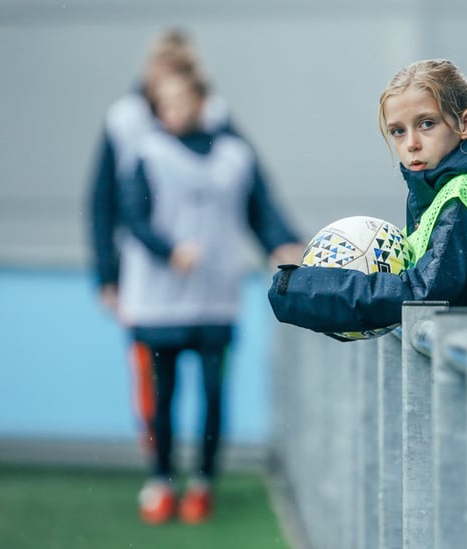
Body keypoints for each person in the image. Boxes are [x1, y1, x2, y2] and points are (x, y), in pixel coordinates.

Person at [118, 67, 303, 525]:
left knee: (212, 395)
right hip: (159, 303)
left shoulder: (235, 157)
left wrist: (282, 244)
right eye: (164, 102)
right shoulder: (147, 153)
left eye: (181, 99)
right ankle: (161, 481)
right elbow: (133, 218)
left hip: (217, 299)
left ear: (203, 101)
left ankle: (203, 484)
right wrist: (169, 250)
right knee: (162, 398)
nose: (173, 109)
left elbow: (261, 212)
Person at [268, 59, 467, 342]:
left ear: (465, 123)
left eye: (427, 124)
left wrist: (305, 289)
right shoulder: (438, 194)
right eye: (398, 131)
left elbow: (422, 296)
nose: (411, 143)